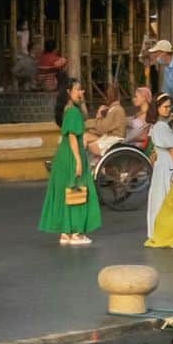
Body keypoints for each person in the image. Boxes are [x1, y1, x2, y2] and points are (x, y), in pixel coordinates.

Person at [38, 78, 101, 247]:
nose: (82, 92)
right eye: (78, 89)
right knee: (78, 190)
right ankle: (75, 232)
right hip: (72, 155)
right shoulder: (73, 112)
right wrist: (79, 160)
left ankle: (65, 232)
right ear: (68, 92)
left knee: (67, 192)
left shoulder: (67, 110)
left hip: (63, 156)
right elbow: (73, 136)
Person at [145, 93, 173, 238]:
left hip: (161, 166)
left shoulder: (157, 126)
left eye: (169, 106)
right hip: (168, 166)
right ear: (157, 108)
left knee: (159, 200)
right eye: (164, 107)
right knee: (169, 201)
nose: (167, 109)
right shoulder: (161, 127)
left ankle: (160, 231)